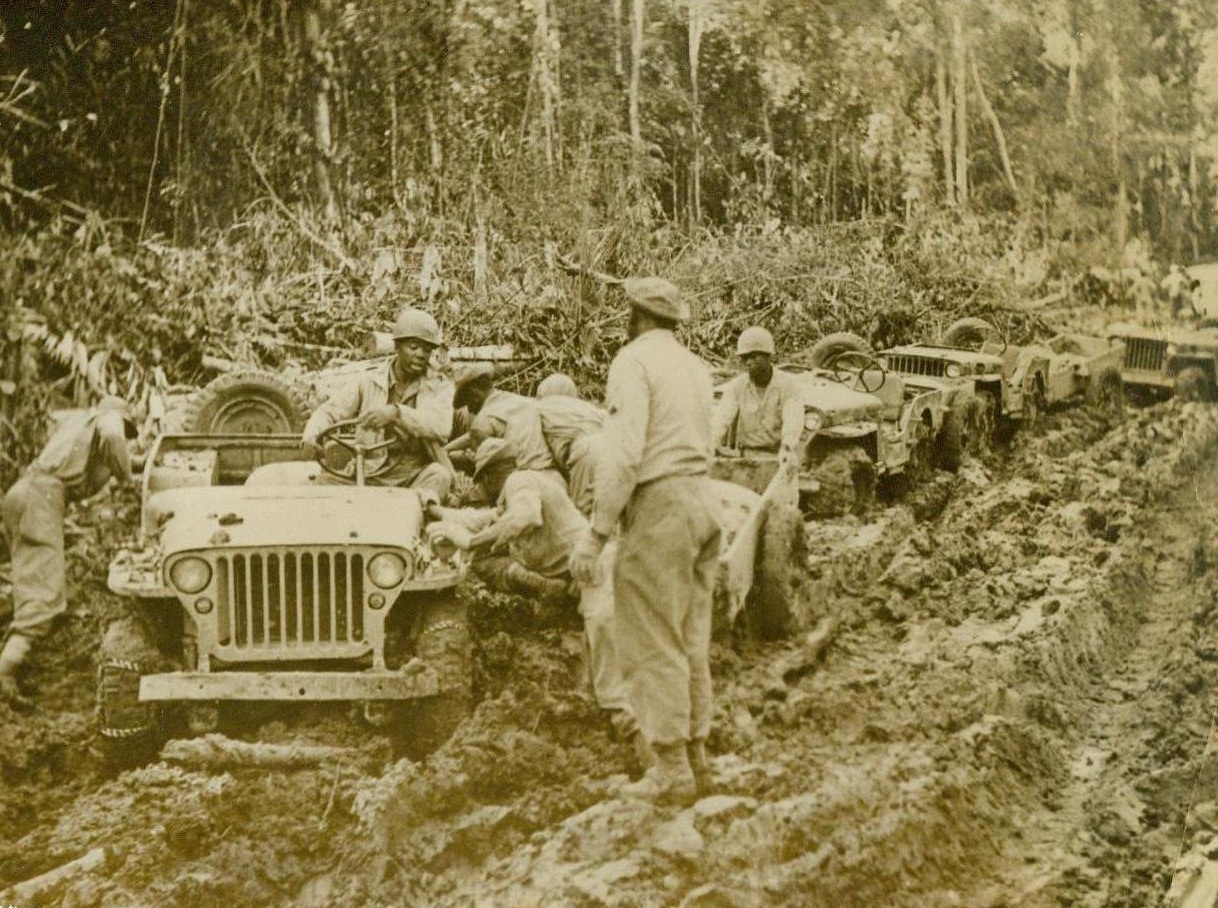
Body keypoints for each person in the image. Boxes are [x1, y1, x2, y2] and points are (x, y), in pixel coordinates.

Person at [569, 276, 722, 805]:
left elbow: (624, 454)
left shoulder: (633, 362)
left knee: (652, 639)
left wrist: (595, 534)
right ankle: (697, 756)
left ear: (634, 318)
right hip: (703, 499)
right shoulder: (696, 368)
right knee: (691, 637)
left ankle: (670, 768)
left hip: (660, 507)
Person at [428, 438, 644, 762]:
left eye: (483, 478)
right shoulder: (513, 495)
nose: (480, 485)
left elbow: (524, 518)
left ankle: (654, 760)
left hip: (599, 573)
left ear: (495, 474)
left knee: (614, 676)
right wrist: (432, 509)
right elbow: (481, 517)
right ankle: (620, 752)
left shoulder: (521, 483)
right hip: (588, 578)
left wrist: (470, 541)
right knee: (599, 672)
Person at [1, 396, 139, 705]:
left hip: (25, 493)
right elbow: (114, 435)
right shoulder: (107, 420)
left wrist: (133, 465)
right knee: (45, 594)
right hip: (41, 500)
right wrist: (128, 480)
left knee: (28, 580)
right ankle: (5, 672)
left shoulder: (77, 424)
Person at [301, 306, 454, 501]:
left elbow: (440, 427)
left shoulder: (438, 385)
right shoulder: (368, 381)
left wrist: (396, 413)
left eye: (426, 350)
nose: (420, 355)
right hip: (365, 473)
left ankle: (412, 523)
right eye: (414, 347)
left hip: (411, 475)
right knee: (316, 488)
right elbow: (329, 411)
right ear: (397, 347)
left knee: (440, 476)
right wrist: (312, 435)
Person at [447, 366, 557, 475]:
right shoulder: (522, 401)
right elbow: (471, 436)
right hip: (553, 473)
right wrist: (445, 449)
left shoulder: (484, 418)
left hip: (523, 477)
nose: (470, 411)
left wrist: (451, 458)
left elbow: (482, 465)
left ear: (474, 396)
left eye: (468, 404)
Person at [713, 326, 804, 458]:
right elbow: (722, 418)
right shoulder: (737, 387)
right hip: (746, 455)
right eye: (745, 358)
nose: (749, 362)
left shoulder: (788, 385)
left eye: (754, 357)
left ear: (768, 357)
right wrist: (711, 442)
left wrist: (787, 447)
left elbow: (793, 419)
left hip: (778, 455)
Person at [534, 373, 606, 516]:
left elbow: (540, 458)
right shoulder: (588, 407)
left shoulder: (539, 409)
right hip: (615, 446)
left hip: (586, 452)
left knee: (581, 519)